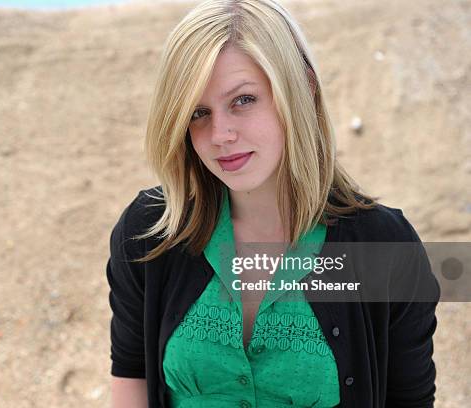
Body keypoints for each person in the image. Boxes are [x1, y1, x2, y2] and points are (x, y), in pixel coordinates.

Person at [106, 1, 440, 407]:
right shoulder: (148, 233)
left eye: (243, 100)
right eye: (198, 112)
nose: (221, 134)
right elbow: (131, 375)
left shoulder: (385, 248)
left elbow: (410, 398)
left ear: (302, 88)